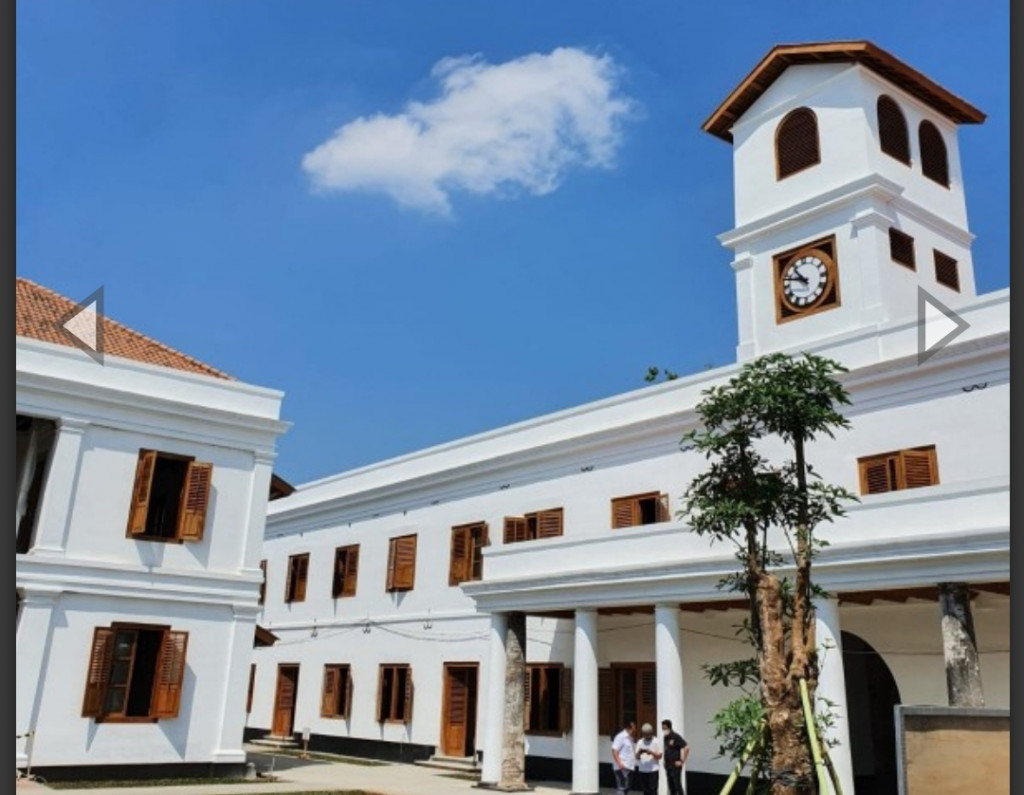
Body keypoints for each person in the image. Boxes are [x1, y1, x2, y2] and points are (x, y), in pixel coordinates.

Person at [661, 718, 689, 795]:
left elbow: (686, 748)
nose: (663, 730)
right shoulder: (665, 737)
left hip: (675, 765)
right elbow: (666, 749)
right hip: (668, 765)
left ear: (669, 727)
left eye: (665, 728)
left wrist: (682, 761)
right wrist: (664, 760)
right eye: (662, 728)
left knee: (677, 785)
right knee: (671, 786)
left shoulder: (676, 737)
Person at [634, 723, 662, 795]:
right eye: (645, 734)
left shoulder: (656, 741)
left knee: (653, 790)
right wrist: (639, 752)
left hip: (653, 770)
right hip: (642, 770)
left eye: (648, 734)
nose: (647, 736)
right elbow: (637, 757)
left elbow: (660, 756)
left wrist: (652, 753)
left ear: (651, 733)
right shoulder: (640, 742)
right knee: (645, 791)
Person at [610, 720, 637, 795]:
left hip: (630, 766)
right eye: (634, 728)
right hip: (622, 767)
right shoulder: (621, 737)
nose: (635, 730)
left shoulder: (630, 738)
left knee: (627, 786)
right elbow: (614, 750)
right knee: (622, 787)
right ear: (629, 728)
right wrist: (620, 763)